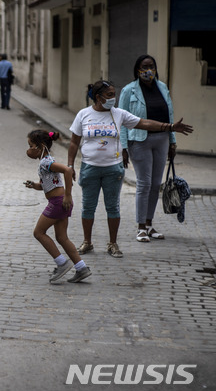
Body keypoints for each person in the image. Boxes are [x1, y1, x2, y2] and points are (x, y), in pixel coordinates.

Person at [68, 80, 193, 258]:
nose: (114, 98)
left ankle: (113, 243)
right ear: (98, 97)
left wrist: (170, 127)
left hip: (113, 169)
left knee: (113, 207)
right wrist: (70, 165)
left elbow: (144, 123)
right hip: (90, 168)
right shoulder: (83, 114)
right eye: (109, 95)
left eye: (114, 94)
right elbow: (74, 142)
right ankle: (87, 242)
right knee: (88, 207)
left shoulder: (119, 114)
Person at [119, 55, 177, 243]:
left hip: (162, 140)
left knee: (155, 184)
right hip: (139, 141)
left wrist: (172, 141)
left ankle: (150, 224)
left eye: (151, 66)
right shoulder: (129, 90)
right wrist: (124, 147)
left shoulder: (163, 87)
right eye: (144, 67)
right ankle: (141, 227)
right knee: (144, 183)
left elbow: (170, 115)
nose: (148, 70)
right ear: (138, 70)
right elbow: (121, 121)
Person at [24, 130, 91, 283]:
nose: (28, 149)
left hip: (58, 202)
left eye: (31, 145)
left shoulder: (46, 162)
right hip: (60, 202)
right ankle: (81, 268)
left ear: (40, 147)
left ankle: (62, 263)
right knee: (62, 237)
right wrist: (35, 186)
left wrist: (68, 195)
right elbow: (49, 185)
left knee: (39, 232)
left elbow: (68, 170)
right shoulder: (46, 161)